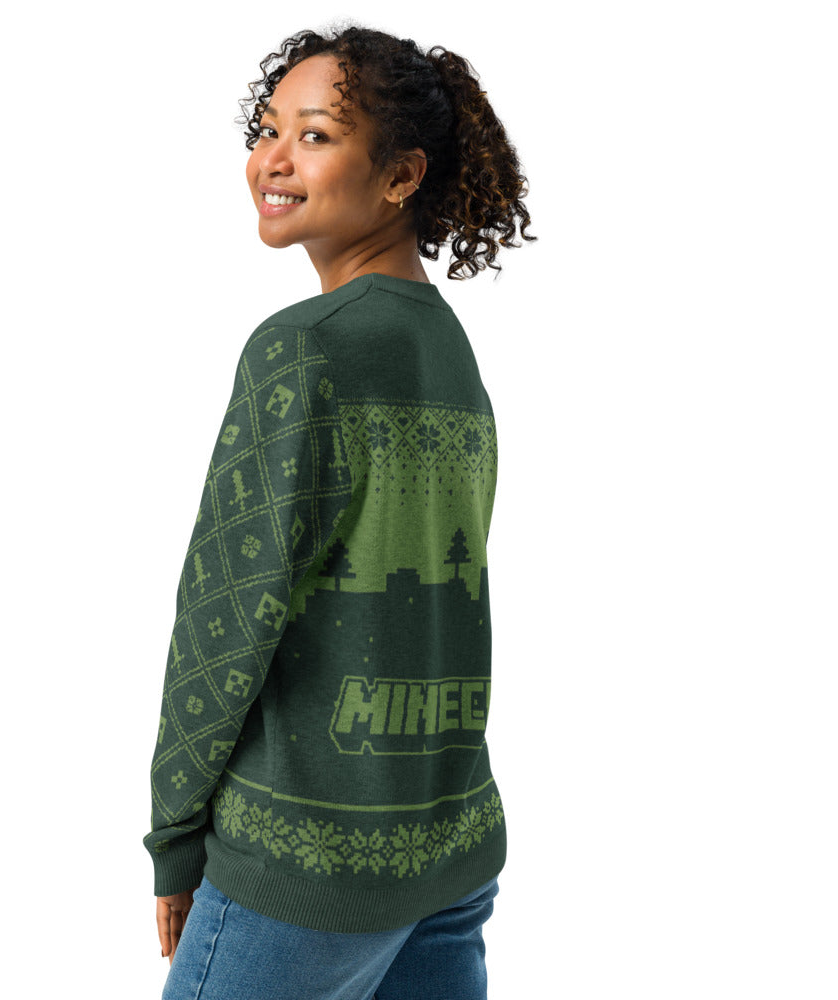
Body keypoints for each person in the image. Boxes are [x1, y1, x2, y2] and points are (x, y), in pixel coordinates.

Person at [142, 21, 535, 1000]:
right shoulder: (448, 350)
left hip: (305, 863)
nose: (271, 160)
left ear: (400, 175)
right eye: (268, 129)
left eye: (314, 136)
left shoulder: (304, 347)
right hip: (446, 851)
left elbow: (227, 614)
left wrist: (174, 833)